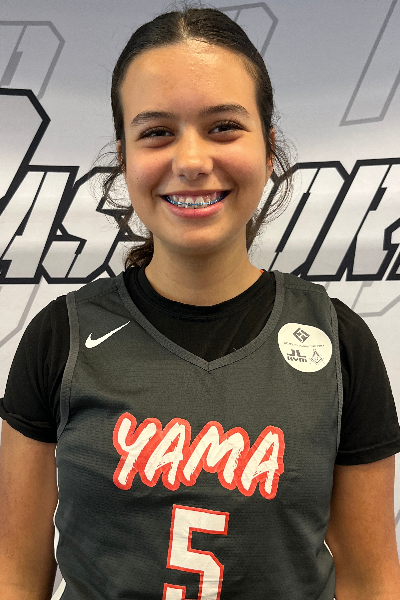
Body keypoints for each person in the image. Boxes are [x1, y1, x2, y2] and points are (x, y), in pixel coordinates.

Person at [1, 1, 400, 598]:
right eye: (157, 132)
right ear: (124, 156)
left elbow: (371, 581)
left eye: (223, 127)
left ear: (269, 148)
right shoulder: (61, 336)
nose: (191, 161)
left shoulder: (338, 340)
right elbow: (15, 572)